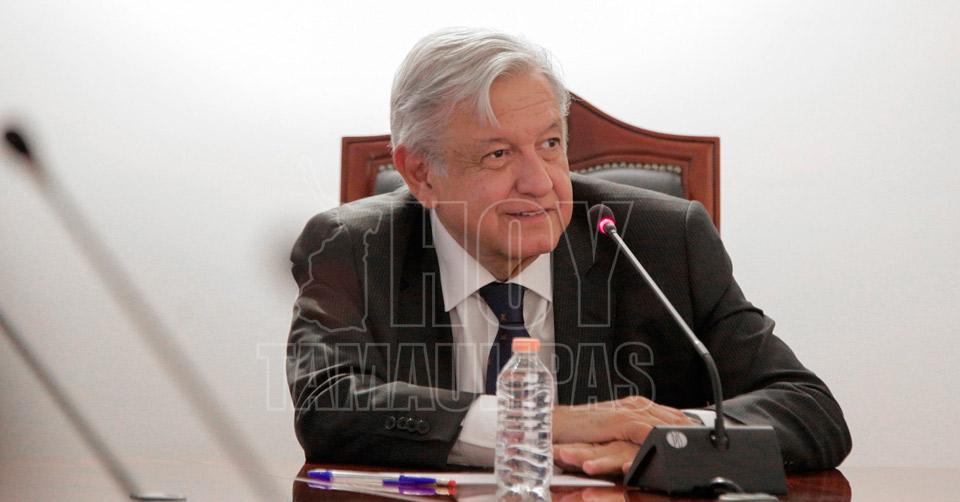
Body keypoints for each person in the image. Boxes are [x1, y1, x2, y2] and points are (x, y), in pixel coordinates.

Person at [286, 27, 851, 475]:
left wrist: (669, 439)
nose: (541, 182)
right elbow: (329, 405)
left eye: (550, 144)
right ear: (420, 173)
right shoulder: (351, 249)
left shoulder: (661, 241)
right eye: (498, 154)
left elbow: (809, 409)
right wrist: (545, 425)